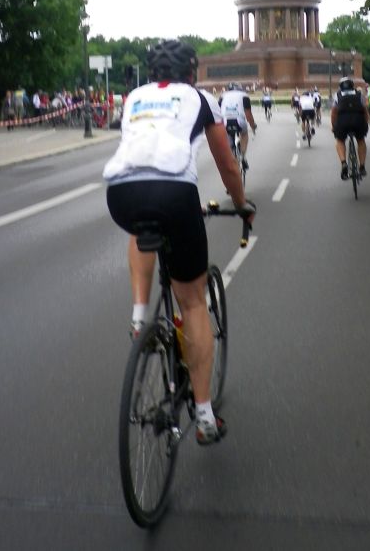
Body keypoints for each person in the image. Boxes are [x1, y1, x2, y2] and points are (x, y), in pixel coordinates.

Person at [103, 39, 255, 446]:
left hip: (120, 191)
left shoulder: (133, 97)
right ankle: (204, 415)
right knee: (192, 302)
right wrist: (241, 204)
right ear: (192, 72)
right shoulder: (201, 98)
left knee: (142, 225)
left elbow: (142, 148)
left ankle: (139, 316)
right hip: (174, 194)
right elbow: (226, 162)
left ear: (152, 73)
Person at [331, 77, 369, 179]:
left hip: (343, 122)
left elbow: (334, 113)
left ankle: (343, 162)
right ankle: (362, 166)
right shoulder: (359, 95)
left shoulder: (337, 96)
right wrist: (365, 123)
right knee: (361, 140)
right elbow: (365, 111)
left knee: (340, 140)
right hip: (358, 121)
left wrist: (334, 126)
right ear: (353, 85)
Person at [218, 82, 257, 170]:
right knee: (244, 134)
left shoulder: (222, 96)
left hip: (225, 121)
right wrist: (253, 125)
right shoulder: (244, 95)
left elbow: (217, 111)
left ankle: (230, 153)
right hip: (239, 121)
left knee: (228, 139)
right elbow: (248, 114)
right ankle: (243, 157)